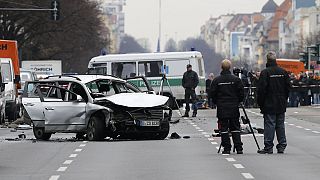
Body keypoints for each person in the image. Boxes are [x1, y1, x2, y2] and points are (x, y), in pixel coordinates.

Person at [257, 51, 291, 154]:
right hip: (281, 102)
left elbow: (262, 90)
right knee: (280, 124)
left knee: (269, 124)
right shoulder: (283, 72)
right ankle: (282, 145)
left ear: (267, 60)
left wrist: (261, 103)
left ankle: (268, 146)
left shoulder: (265, 73)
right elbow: (288, 87)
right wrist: (284, 99)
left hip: (269, 102)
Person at [210, 59, 244, 154]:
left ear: (221, 67)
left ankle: (227, 148)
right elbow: (241, 93)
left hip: (222, 107)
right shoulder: (236, 80)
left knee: (224, 129)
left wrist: (217, 102)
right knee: (235, 127)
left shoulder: (217, 80)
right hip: (233, 106)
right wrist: (238, 101)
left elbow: (212, 94)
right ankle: (239, 147)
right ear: (230, 67)